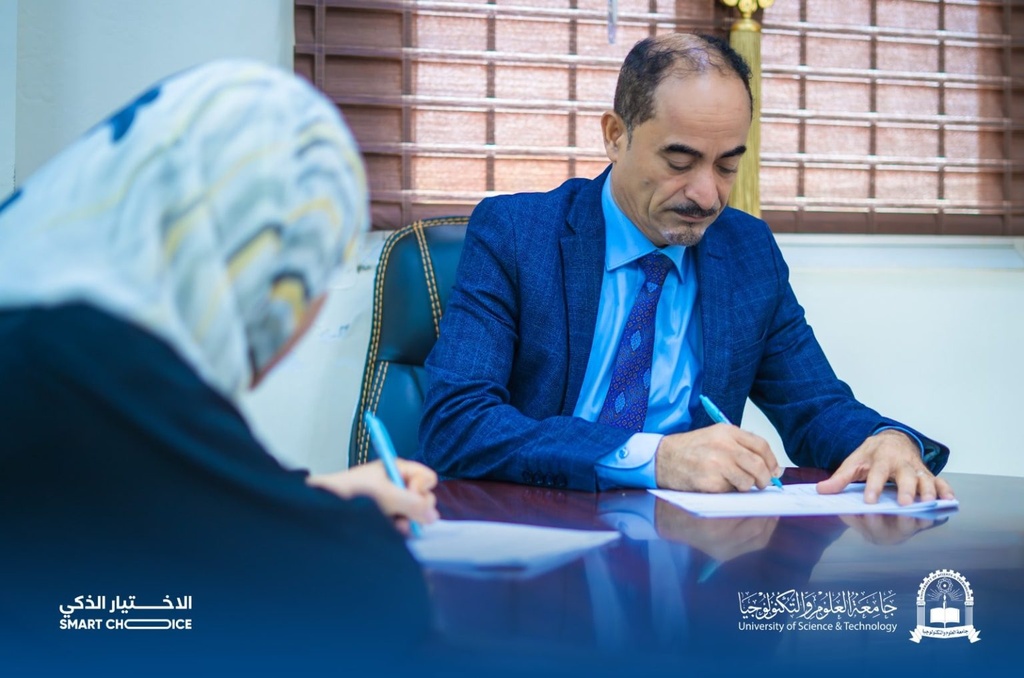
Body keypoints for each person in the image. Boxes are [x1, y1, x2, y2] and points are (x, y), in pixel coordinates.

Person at [0, 60, 438, 674]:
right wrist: (341, 526)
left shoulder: (43, 333)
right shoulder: (93, 364)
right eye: (310, 278)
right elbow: (361, 599)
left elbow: (115, 524)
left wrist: (312, 496)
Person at [417, 33, 953, 506]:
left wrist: (885, 440)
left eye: (727, 166)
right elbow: (457, 422)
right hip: (541, 529)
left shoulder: (747, 252)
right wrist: (655, 457)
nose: (706, 195)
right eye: (679, 162)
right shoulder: (517, 234)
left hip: (687, 546)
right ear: (615, 135)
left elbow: (815, 407)